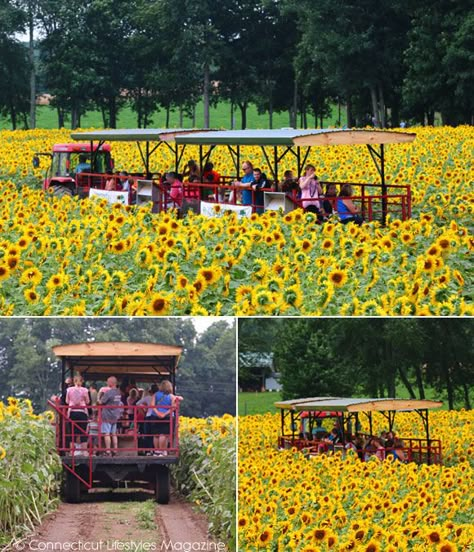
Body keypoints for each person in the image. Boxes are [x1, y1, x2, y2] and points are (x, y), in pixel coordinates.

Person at [150, 380, 183, 456]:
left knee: (156, 435)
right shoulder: (171, 396)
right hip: (167, 417)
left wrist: (158, 413)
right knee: (163, 434)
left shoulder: (155, 394)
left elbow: (152, 405)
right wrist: (164, 414)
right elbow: (173, 407)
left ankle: (156, 451)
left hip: (155, 416)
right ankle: (162, 451)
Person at [65, 375, 90, 456]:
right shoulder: (85, 390)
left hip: (72, 411)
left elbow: (67, 401)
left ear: (74, 381)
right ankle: (84, 451)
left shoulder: (69, 390)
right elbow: (88, 401)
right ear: (82, 381)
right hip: (82, 411)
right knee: (83, 431)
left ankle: (72, 451)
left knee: (72, 432)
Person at [99, 376, 123, 456]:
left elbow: (102, 402)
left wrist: (99, 398)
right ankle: (115, 450)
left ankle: (108, 451)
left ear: (111, 383)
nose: (106, 383)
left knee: (107, 433)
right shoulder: (118, 392)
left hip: (107, 415)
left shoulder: (108, 393)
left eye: (107, 381)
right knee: (114, 433)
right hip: (115, 415)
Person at [138, 384, 159, 453]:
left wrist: (143, 412)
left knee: (147, 434)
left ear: (150, 391)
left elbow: (137, 404)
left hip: (148, 416)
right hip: (157, 416)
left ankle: (148, 450)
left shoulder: (148, 398)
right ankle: (156, 450)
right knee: (156, 434)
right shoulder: (159, 398)